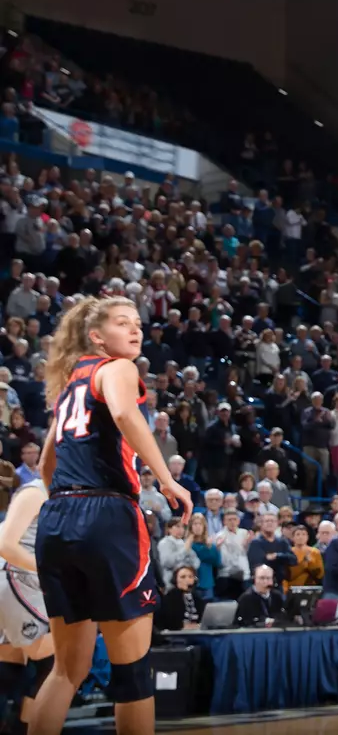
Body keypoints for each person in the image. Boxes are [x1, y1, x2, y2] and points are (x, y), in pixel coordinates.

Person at [34, 296, 191, 735]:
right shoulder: (117, 368)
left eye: (138, 323)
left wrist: (69, 505)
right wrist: (166, 479)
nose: (136, 330)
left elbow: (47, 464)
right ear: (97, 337)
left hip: (58, 517)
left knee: (66, 671)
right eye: (123, 323)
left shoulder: (69, 387)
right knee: (133, 674)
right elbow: (124, 413)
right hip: (106, 514)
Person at [0, 480, 54, 734]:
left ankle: (15, 725)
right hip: (15, 577)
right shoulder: (36, 491)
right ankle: (22, 727)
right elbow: (6, 546)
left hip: (22, 581)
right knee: (57, 660)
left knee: (12, 665)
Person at [156, 565, 208, 633]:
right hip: (177, 634)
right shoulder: (170, 598)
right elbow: (168, 621)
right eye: (183, 577)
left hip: (197, 632)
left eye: (190, 577)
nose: (187, 580)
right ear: (175, 580)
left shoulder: (197, 598)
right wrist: (182, 626)